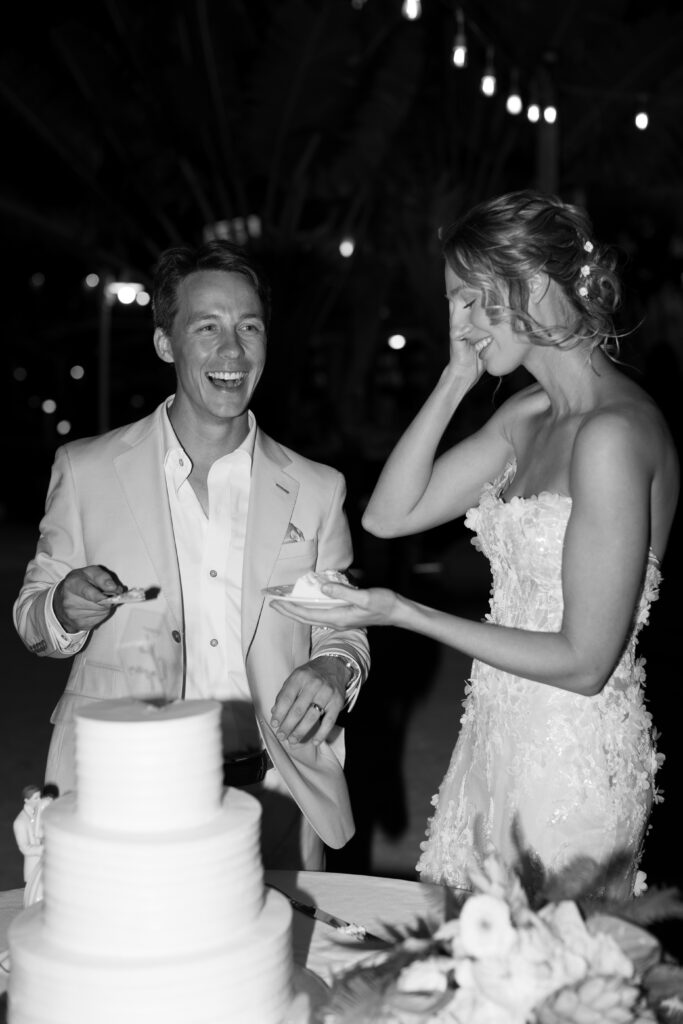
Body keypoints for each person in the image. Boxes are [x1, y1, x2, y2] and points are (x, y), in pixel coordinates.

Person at [272, 190, 679, 897]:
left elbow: (584, 663)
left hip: (570, 762)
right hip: (494, 735)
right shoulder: (528, 416)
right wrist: (455, 375)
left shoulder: (613, 435)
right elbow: (390, 516)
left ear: (531, 286)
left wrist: (402, 612)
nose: (456, 323)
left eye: (468, 299)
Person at [13, 240, 369, 871]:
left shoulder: (317, 488)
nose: (232, 351)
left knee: (277, 967)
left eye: (248, 327)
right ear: (164, 343)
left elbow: (343, 628)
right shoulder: (87, 469)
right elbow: (34, 621)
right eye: (207, 328)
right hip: (123, 790)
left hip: (275, 795)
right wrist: (64, 609)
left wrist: (334, 672)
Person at [13, 785, 43, 903]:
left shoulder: (39, 813)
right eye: (36, 798)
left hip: (44, 862)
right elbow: (25, 848)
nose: (40, 800)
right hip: (34, 864)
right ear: (27, 800)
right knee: (33, 896)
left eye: (40, 797)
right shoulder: (20, 822)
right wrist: (44, 849)